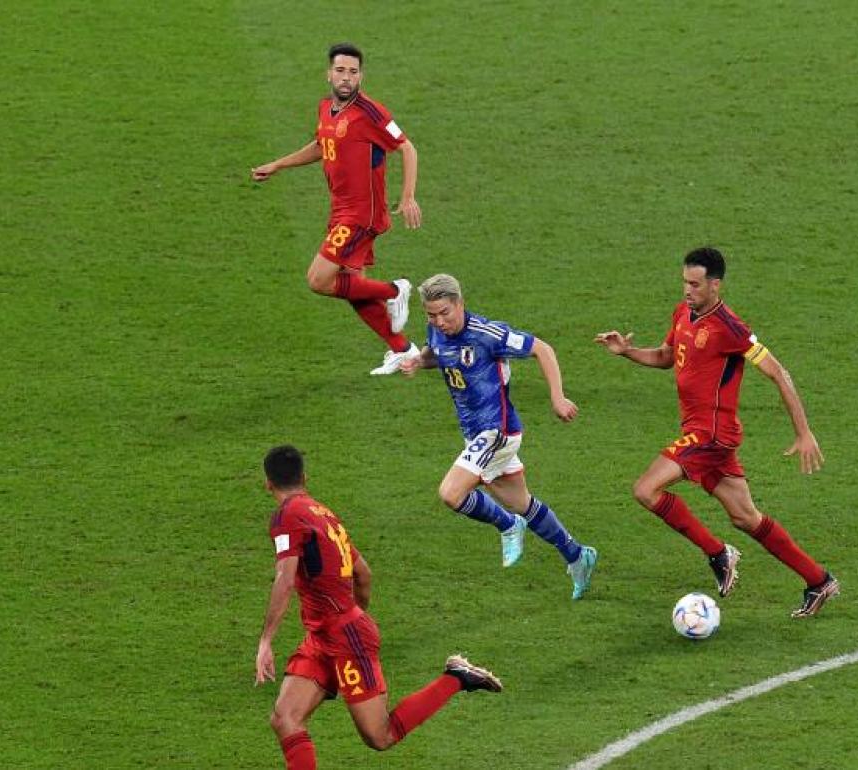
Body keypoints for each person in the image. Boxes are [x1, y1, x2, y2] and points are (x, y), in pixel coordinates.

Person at [594, 247, 839, 618]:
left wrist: (804, 433)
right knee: (746, 517)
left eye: (695, 284)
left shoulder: (730, 328)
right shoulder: (682, 313)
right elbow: (665, 357)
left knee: (646, 489)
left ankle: (718, 553)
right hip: (704, 435)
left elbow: (779, 373)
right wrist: (627, 351)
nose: (687, 290)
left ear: (715, 284)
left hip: (710, 436)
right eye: (684, 282)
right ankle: (819, 580)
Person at [254, 445, 502, 769]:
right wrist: (355, 615)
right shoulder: (324, 514)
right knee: (285, 718)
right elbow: (363, 573)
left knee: (379, 735)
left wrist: (266, 641)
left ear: (268, 483)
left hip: (342, 634)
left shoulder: (286, 517)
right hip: (325, 635)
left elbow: (285, 580)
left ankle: (456, 677)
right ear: (304, 477)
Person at [400, 274, 598, 600]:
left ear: (460, 304)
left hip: (497, 432)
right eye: (431, 315)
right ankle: (578, 556)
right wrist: (420, 361)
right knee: (524, 504)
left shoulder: (488, 334)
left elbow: (543, 349)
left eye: (445, 313)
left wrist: (558, 398)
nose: (439, 321)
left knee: (451, 493)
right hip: (474, 435)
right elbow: (438, 353)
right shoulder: (436, 329)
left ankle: (507, 525)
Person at [251, 42, 421, 376]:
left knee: (318, 279)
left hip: (361, 214)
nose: (346, 78)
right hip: (341, 210)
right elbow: (321, 145)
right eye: (340, 71)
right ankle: (403, 349)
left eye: (353, 72)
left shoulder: (371, 113)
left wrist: (408, 196)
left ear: (361, 76)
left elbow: (407, 148)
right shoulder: (326, 108)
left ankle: (395, 290)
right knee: (351, 284)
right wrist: (279, 164)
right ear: (328, 74)